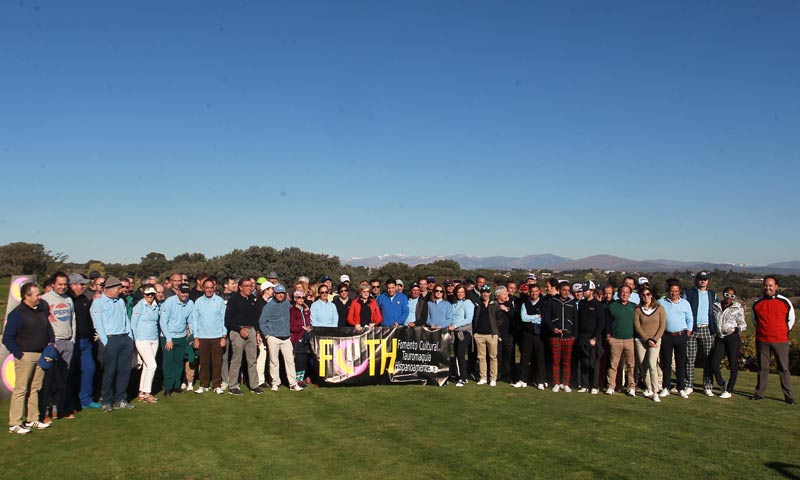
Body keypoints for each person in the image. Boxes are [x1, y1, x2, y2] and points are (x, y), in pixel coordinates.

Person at [3, 282, 54, 434]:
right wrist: (19, 354)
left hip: (41, 354)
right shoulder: (17, 314)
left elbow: (48, 329)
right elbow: (7, 338)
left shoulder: (40, 311)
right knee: (21, 389)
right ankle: (15, 423)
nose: (40, 297)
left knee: (35, 388)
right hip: (25, 355)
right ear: (27, 296)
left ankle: (33, 419)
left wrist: (51, 343)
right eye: (37, 294)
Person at [89, 276, 135, 412]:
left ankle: (120, 399)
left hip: (124, 338)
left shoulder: (120, 301)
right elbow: (98, 324)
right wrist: (106, 341)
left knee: (124, 371)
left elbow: (126, 319)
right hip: (110, 339)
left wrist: (130, 338)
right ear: (108, 289)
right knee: (110, 371)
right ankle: (106, 400)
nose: (120, 290)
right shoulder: (98, 303)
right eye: (117, 288)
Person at [752, 276, 795, 404]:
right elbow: (755, 322)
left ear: (776, 287)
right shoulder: (757, 303)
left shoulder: (785, 302)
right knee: (762, 368)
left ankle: (788, 395)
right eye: (766, 285)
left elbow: (790, 320)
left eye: (770, 285)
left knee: (783, 368)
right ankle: (759, 393)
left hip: (780, 340)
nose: (768, 288)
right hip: (762, 340)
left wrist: (781, 332)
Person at [40, 271, 76, 420]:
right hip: (53, 344)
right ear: (53, 284)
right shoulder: (44, 299)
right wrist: (49, 342)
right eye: (59, 284)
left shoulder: (68, 299)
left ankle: (58, 409)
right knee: (48, 380)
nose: (62, 287)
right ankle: (45, 412)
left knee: (63, 379)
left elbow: (73, 320)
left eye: (64, 284)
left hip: (68, 342)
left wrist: (72, 339)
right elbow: (42, 323)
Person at [259, 285, 304, 392]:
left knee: (290, 361)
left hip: (286, 337)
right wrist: (267, 335)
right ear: (274, 294)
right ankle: (275, 383)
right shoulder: (269, 306)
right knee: (274, 362)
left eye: (282, 293)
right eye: (278, 293)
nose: (280, 295)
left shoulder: (287, 304)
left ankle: (293, 384)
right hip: (273, 337)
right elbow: (262, 321)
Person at [67, 273, 101, 409]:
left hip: (86, 341)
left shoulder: (84, 299)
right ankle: (70, 400)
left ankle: (85, 399)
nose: (83, 286)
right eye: (81, 284)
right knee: (71, 372)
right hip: (73, 341)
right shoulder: (67, 300)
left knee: (89, 368)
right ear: (73, 285)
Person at [225, 278, 263, 395]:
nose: (249, 288)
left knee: (252, 360)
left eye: (250, 286)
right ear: (240, 287)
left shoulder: (253, 299)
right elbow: (228, 320)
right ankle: (232, 386)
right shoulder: (233, 300)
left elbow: (256, 318)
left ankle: (254, 385)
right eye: (246, 286)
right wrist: (239, 329)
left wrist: (257, 332)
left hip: (251, 330)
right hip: (237, 332)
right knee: (236, 360)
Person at [190, 279, 227, 395]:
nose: (209, 290)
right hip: (202, 336)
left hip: (217, 336)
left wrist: (223, 336)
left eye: (211, 288)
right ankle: (204, 385)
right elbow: (195, 320)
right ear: (203, 288)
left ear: (214, 288)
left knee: (217, 362)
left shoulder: (219, 301)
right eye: (207, 288)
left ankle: (217, 385)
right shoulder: (198, 302)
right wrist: (195, 337)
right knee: (204, 362)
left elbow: (224, 319)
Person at [683, 271, 717, 396]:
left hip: (707, 329)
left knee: (708, 359)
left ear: (708, 281)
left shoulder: (712, 294)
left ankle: (707, 386)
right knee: (690, 359)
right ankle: (689, 385)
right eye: (700, 279)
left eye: (705, 279)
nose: (703, 281)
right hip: (692, 329)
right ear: (696, 280)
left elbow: (715, 311)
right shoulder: (689, 293)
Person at [658, 279, 693, 399]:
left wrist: (689, 331)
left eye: (676, 291)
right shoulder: (661, 302)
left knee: (680, 363)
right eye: (672, 291)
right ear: (668, 291)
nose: (673, 293)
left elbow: (690, 318)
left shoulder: (685, 303)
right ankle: (666, 387)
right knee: (666, 363)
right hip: (667, 335)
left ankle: (681, 388)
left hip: (681, 335)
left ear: (679, 292)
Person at [710, 287, 747, 399]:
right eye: (727, 294)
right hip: (720, 338)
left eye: (732, 296)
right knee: (714, 365)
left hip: (732, 338)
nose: (729, 298)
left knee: (733, 364)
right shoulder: (716, 306)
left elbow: (743, 324)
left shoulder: (737, 307)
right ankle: (722, 383)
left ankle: (729, 390)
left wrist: (735, 329)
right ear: (723, 294)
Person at [159, 283, 195, 396]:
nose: (185, 294)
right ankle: (168, 387)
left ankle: (176, 385)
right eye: (183, 292)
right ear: (178, 291)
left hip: (182, 336)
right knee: (168, 363)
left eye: (187, 292)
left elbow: (191, 321)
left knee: (179, 362)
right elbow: (163, 321)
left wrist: (192, 336)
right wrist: (168, 338)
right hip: (168, 337)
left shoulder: (190, 303)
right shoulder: (169, 302)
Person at [543, 282, 578, 393]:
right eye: (564, 290)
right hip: (555, 336)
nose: (566, 292)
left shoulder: (571, 303)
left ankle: (566, 383)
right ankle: (556, 383)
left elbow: (576, 320)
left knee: (567, 362)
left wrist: (574, 336)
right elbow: (547, 318)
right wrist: (553, 328)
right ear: (559, 290)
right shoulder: (552, 301)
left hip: (568, 337)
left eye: (568, 290)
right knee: (555, 361)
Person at [633, 286, 666, 402]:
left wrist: (654, 339)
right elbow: (637, 327)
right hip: (641, 341)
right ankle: (649, 388)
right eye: (643, 295)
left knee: (652, 364)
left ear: (651, 295)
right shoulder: (638, 310)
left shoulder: (659, 309)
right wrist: (647, 339)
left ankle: (656, 391)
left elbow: (662, 326)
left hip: (655, 341)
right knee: (643, 366)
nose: (646, 297)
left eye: (648, 294)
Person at [605, 285, 638, 396]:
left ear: (630, 294)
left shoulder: (634, 307)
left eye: (627, 292)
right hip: (615, 340)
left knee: (631, 365)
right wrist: (608, 335)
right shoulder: (612, 306)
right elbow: (607, 323)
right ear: (618, 294)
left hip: (630, 339)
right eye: (622, 292)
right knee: (613, 364)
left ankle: (631, 387)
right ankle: (611, 386)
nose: (624, 294)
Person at [514, 284, 547, 390]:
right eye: (532, 291)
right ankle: (523, 380)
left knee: (539, 359)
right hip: (527, 334)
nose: (534, 293)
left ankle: (540, 381)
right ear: (529, 292)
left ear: (539, 292)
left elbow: (543, 319)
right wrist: (536, 316)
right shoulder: (525, 304)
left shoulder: (544, 303)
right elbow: (524, 318)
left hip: (539, 335)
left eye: (536, 291)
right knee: (524, 358)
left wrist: (532, 318)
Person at [131, 285, 160, 403]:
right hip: (142, 339)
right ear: (144, 295)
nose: (150, 296)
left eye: (152, 294)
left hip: (154, 338)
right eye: (148, 294)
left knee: (147, 367)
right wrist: (135, 341)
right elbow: (133, 324)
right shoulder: (139, 306)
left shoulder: (156, 306)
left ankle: (142, 392)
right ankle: (148, 393)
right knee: (153, 365)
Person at [576, 281, 604, 394]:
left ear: (592, 291)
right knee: (584, 361)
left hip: (593, 337)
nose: (583, 292)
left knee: (594, 363)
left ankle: (594, 386)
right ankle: (585, 384)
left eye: (586, 290)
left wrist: (595, 338)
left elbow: (601, 323)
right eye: (583, 290)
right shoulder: (581, 303)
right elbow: (579, 321)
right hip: (583, 336)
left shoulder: (597, 304)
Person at [473, 284, 500, 386]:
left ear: (490, 293)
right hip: (479, 334)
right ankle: (483, 377)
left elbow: (499, 319)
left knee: (493, 357)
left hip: (492, 335)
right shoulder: (477, 304)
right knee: (481, 357)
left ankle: (493, 378)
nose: (485, 294)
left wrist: (495, 330)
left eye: (487, 292)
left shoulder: (494, 304)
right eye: (483, 292)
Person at [450, 285, 474, 387]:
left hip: (464, 332)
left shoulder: (468, 303)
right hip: (454, 332)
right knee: (456, 354)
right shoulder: (454, 303)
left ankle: (463, 378)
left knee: (460, 354)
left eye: (462, 292)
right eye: (458, 292)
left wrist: (455, 325)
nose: (460, 294)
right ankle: (458, 375)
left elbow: (468, 319)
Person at [290, 290, 313, 386]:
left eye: (303, 297)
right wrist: (301, 328)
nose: (301, 299)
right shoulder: (292, 310)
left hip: (306, 337)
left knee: (306, 359)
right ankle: (298, 380)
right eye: (299, 297)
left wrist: (307, 313)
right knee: (299, 360)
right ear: (295, 299)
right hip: (297, 337)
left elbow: (308, 323)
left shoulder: (305, 310)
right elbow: (291, 326)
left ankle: (302, 378)